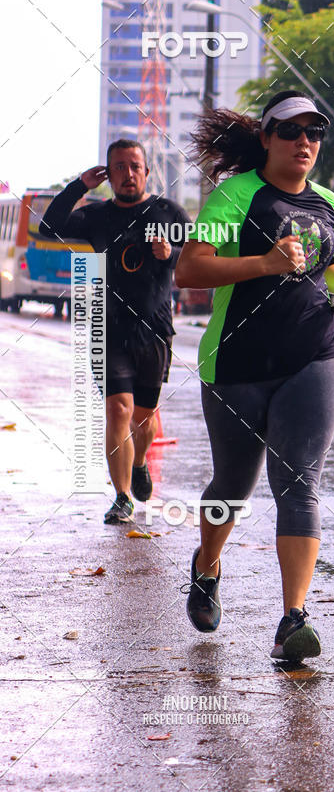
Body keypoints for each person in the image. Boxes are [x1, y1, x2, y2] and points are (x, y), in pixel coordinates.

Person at [176, 90, 334, 663]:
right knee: (232, 487)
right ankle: (206, 565)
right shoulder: (237, 195)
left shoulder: (326, 202)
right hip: (238, 362)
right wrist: (265, 263)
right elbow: (191, 268)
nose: (304, 142)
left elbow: (326, 267)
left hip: (316, 353)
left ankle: (293, 619)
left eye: (314, 132)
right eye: (291, 132)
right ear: (266, 138)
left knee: (298, 485)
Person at [40, 139, 189, 524]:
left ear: (146, 171)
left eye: (134, 166)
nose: (127, 174)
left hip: (155, 329)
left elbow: (203, 254)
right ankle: (122, 497)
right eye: (119, 167)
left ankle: (140, 461)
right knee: (117, 408)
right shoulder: (96, 215)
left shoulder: (167, 212)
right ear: (108, 173)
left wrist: (170, 254)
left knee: (144, 414)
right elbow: (48, 226)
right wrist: (78, 186)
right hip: (108, 327)